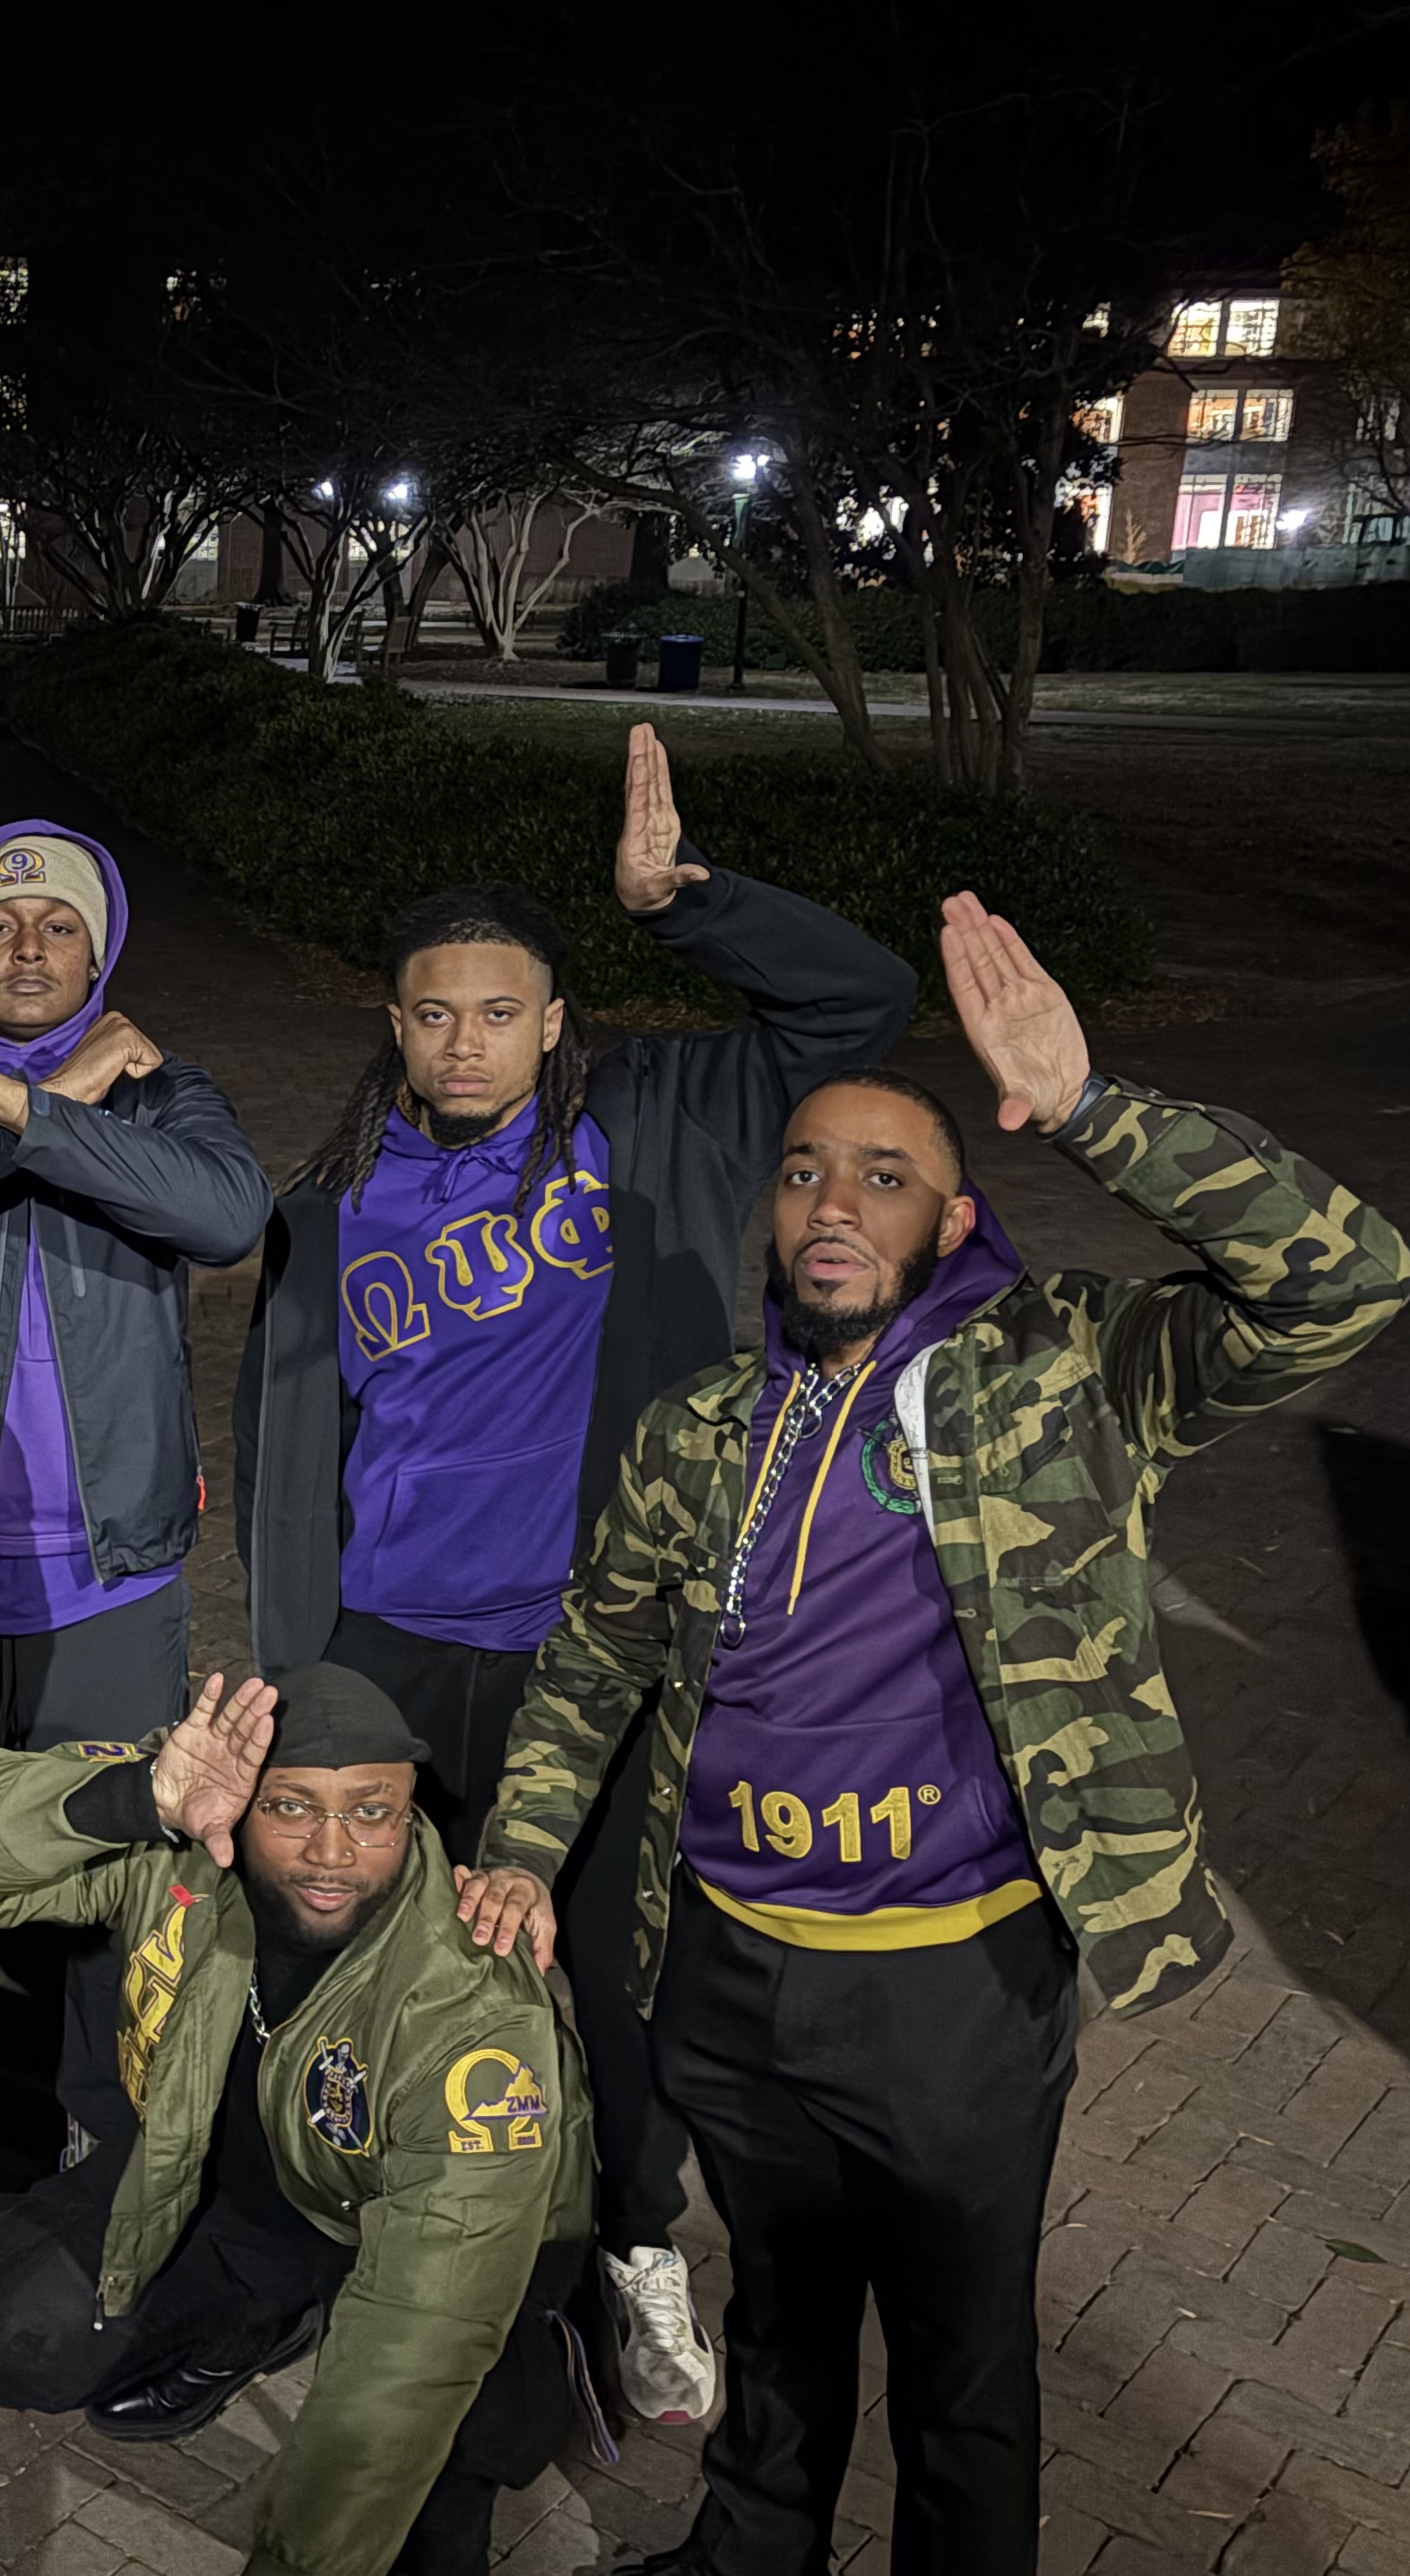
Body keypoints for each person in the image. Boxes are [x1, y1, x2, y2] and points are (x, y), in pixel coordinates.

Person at [455, 895, 1410, 2576]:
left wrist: (1097, 1105)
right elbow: (596, 1655)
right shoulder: (699, 1429)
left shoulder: (1066, 1374)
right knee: (784, 2309)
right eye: (808, 1170)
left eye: (885, 1176)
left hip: (951, 1987)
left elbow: (1345, 1282)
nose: (831, 1201)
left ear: (955, 1218)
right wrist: (518, 1844)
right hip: (732, 1967)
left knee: (966, 2370)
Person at [235, 726, 913, 2434]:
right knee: (381, 1962)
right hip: (388, 1641)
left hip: (590, 1646)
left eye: (499, 1009)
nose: (463, 1041)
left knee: (604, 1977)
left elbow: (855, 1009)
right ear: (391, 1022)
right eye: (430, 1010)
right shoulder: (329, 1203)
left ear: (555, 1019)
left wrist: (687, 903)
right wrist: (293, 1651)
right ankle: (387, 2234)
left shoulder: (658, 1121)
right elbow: (295, 1435)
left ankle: (624, 2242)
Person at [0, 1666, 593, 2576]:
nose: (333, 1853)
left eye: (373, 1813)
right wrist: (137, 1798)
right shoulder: (186, 1845)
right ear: (240, 1798)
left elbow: (416, 2338)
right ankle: (268, 2318)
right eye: (292, 1807)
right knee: (3, 2329)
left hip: (455, 2243)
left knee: (457, 2415)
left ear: (411, 1812)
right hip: (254, 2199)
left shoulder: (470, 2008)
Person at [0, 818, 272, 1753]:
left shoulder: (159, 1091)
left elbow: (231, 1217)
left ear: (98, 953)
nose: (31, 948)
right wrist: (50, 1101)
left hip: (111, 1572)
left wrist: (12, 1105)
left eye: (61, 926)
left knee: (98, 1866)